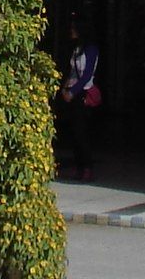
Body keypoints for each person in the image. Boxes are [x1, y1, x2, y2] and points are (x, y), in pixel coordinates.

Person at [58, 20, 101, 181]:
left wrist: (73, 91)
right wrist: (65, 88)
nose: (71, 31)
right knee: (73, 132)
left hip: (83, 94)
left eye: (74, 28)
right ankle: (78, 166)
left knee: (82, 132)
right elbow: (72, 72)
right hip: (72, 92)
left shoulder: (91, 50)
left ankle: (87, 167)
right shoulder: (76, 49)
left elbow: (87, 75)